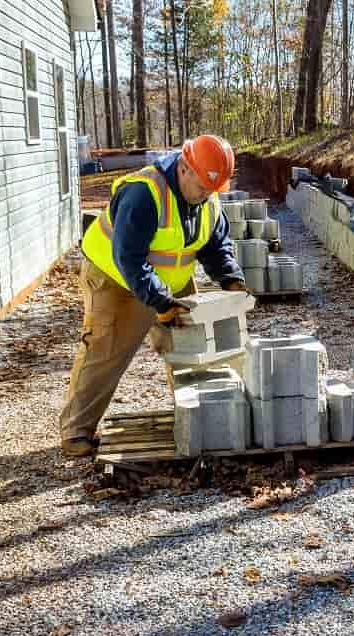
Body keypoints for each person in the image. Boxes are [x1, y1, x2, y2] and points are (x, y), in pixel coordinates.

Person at [59, 135, 247, 458]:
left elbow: (216, 245)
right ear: (184, 168)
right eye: (201, 187)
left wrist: (231, 279)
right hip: (115, 278)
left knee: (193, 347)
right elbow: (129, 258)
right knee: (105, 351)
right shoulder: (143, 194)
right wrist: (159, 302)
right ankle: (77, 430)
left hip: (170, 282)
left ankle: (198, 417)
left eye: (211, 190)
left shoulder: (207, 199)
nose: (205, 196)